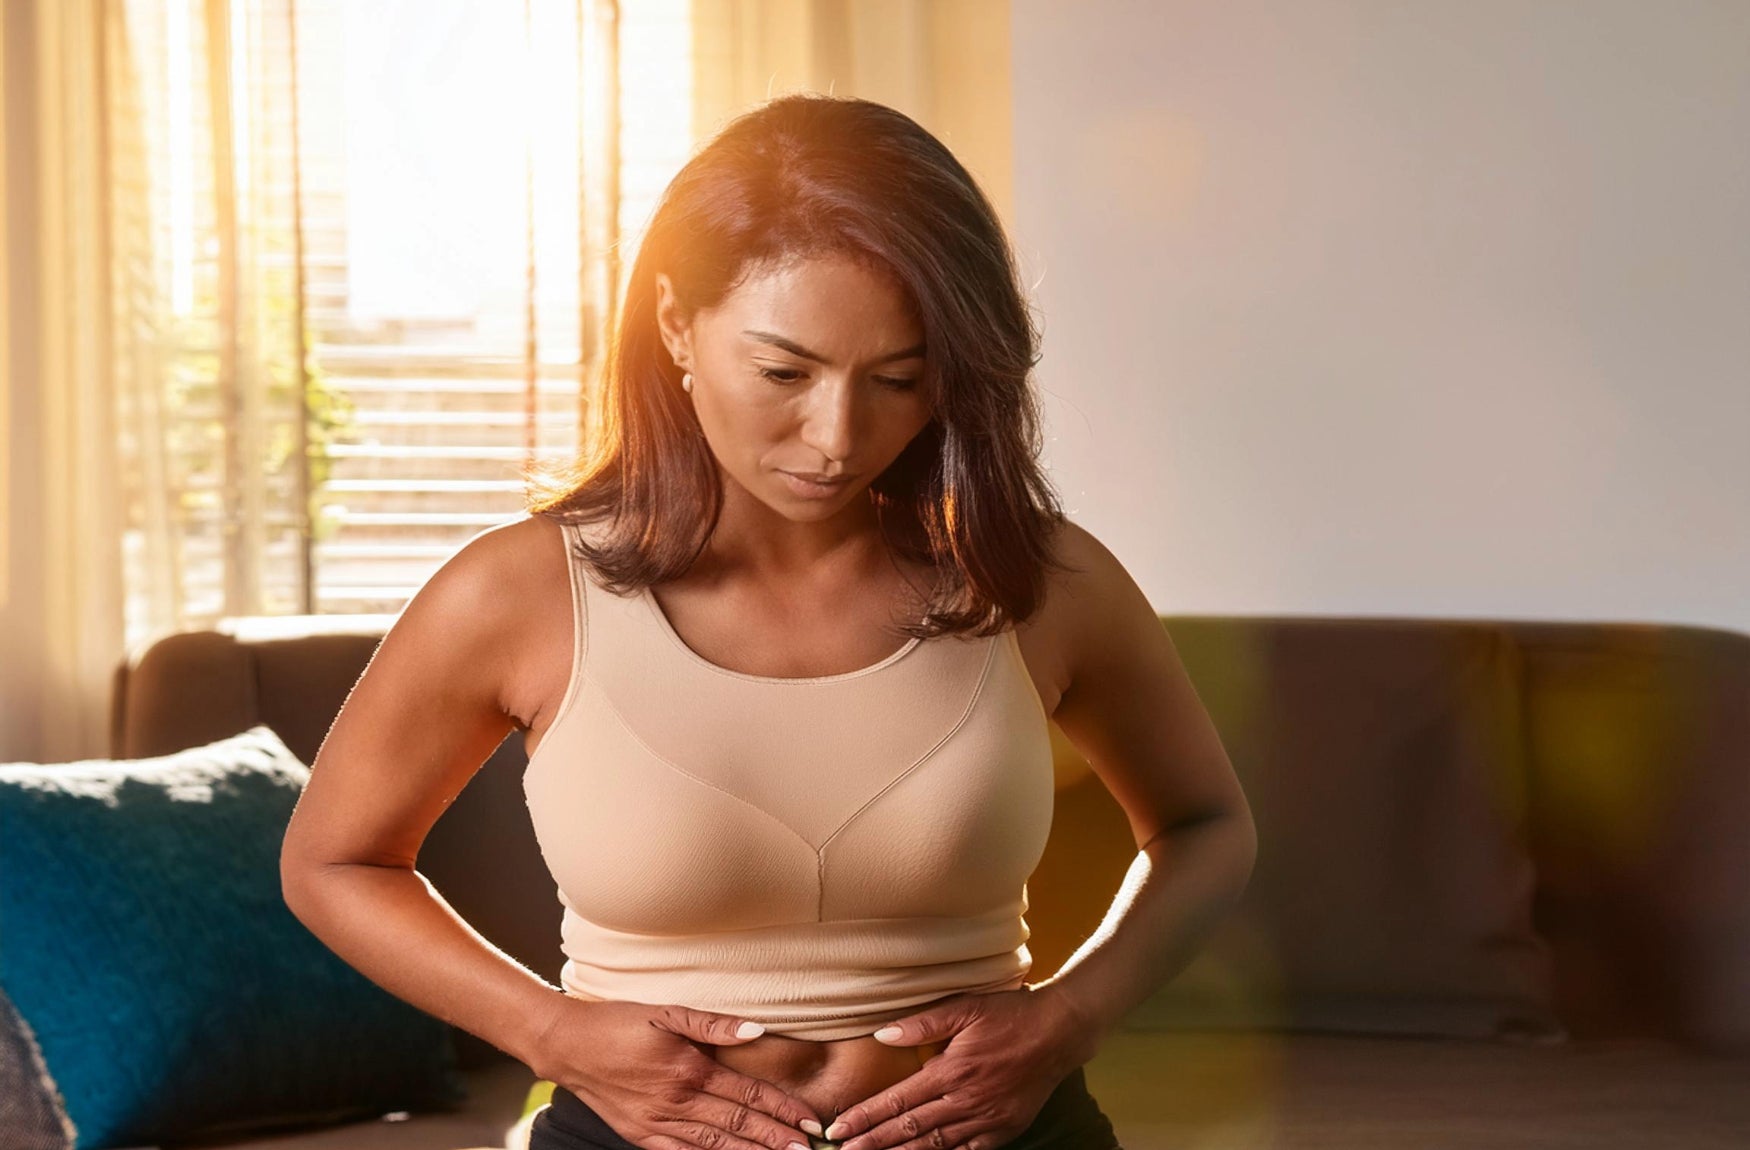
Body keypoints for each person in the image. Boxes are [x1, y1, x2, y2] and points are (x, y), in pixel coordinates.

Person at [281, 93, 1257, 1150]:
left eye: (899, 378)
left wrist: (1069, 1018)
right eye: (784, 372)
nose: (837, 435)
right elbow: (335, 860)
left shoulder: (1039, 579)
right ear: (674, 325)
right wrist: (551, 1033)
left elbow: (1206, 827)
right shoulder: (517, 594)